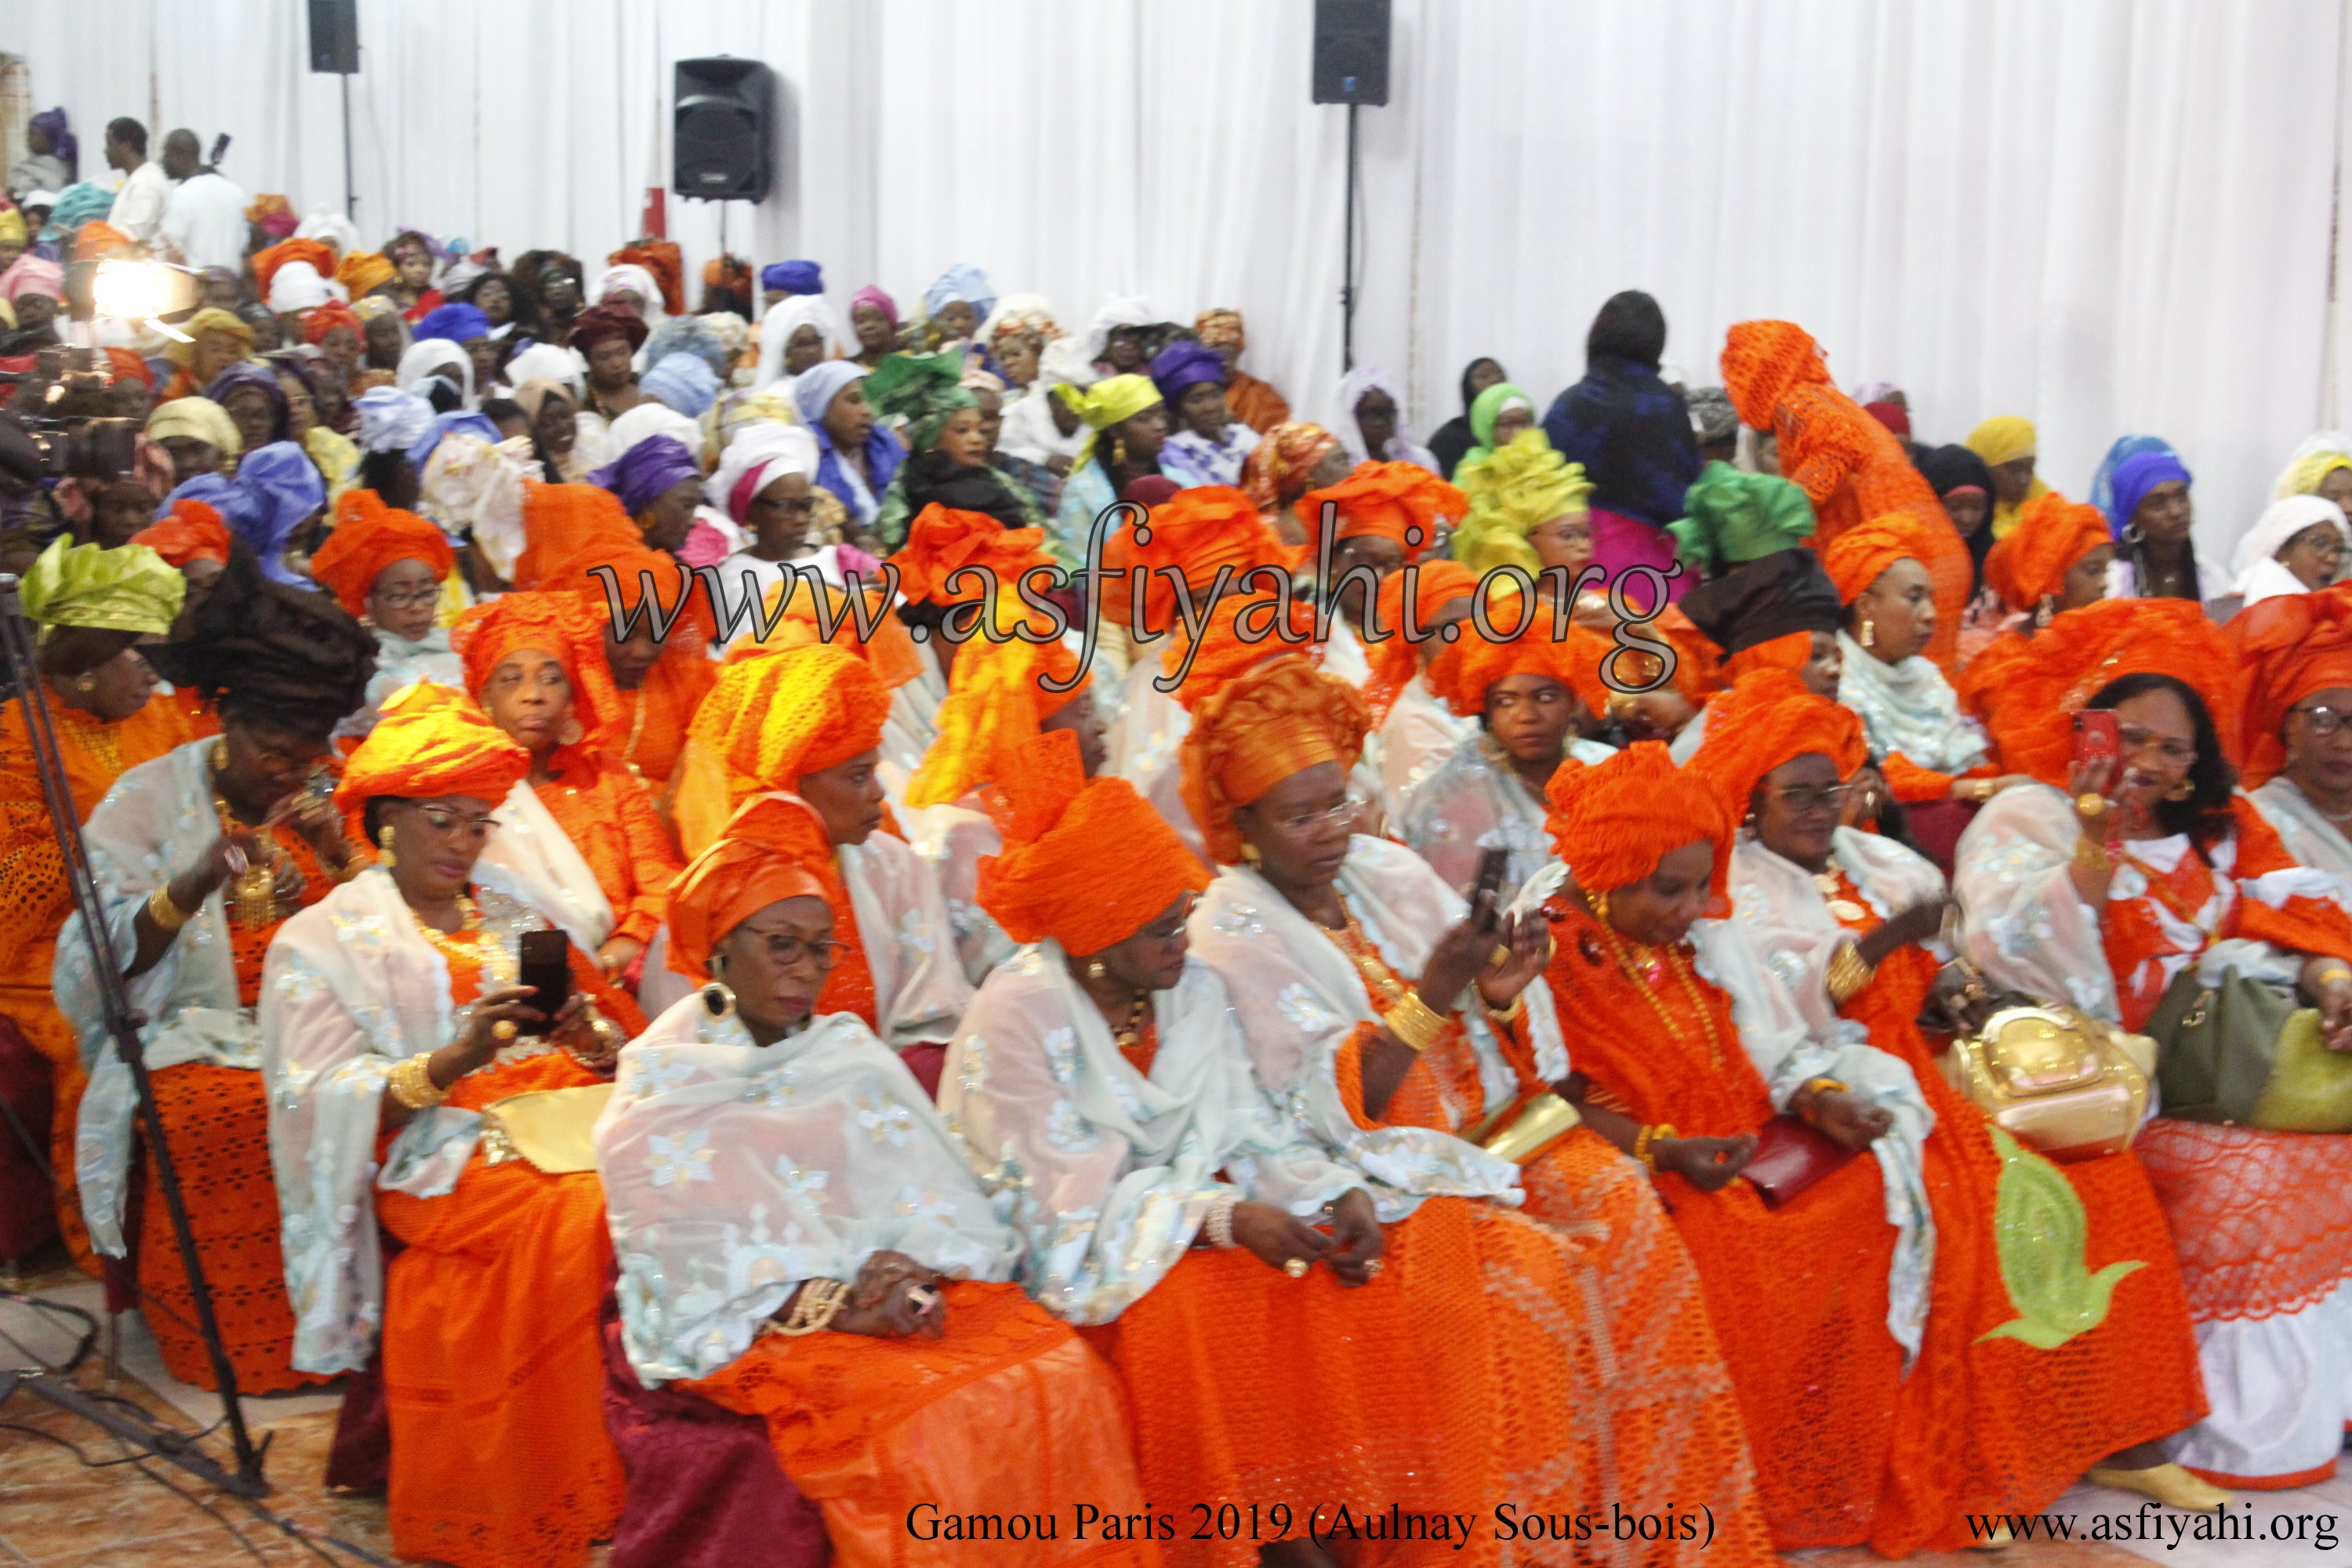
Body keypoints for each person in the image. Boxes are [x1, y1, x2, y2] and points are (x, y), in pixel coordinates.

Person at [1538, 742, 2209, 1550]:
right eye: (1800, 792)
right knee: (1923, 1212)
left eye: (1835, 788)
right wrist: (1674, 1143)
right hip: (1685, 1149)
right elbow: (1557, 1094)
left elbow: (1777, 1046)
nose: (1690, 907)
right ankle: (1868, 1471)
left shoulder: (1857, 867)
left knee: (2098, 1177)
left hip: (1844, 1095)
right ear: (1752, 801)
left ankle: (2107, 1436)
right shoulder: (1591, 935)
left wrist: (1835, 1086)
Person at [1181, 657, 1778, 1566]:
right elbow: (1338, 1111)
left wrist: (1500, 992)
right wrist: (1437, 990)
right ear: (1243, 826)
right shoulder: (1232, 930)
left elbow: (1496, 1028)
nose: (1331, 831)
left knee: (1620, 1205)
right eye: (1299, 817)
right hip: (1381, 1179)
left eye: (1338, 801)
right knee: (1529, 1277)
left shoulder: (1385, 869)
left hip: (1493, 1133)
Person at [944, 728, 1485, 1565]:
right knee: (1191, 1310)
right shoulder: (1014, 1015)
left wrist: (1331, 1190)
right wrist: (1227, 1218)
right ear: (1093, 939)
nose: (1184, 944)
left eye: (1182, 919)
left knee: (1327, 1273)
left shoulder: (1188, 985)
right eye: (1162, 929)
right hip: (1078, 1258)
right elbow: (1056, 1208)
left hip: (1179, 1223)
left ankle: (1342, 1529)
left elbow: (1247, 1122)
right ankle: (1250, 1545)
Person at [596, 792, 1154, 1568]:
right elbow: (694, 1262)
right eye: (782, 945)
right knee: (930, 1427)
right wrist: (840, 1305)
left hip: (892, 1297)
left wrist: (911, 1264)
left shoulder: (843, 1051)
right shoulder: (663, 1086)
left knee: (1063, 1373)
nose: (808, 970)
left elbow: (931, 1190)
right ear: (718, 948)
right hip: (768, 1322)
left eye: (823, 948)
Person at [1956, 597, 2352, 1494]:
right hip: (2089, 1091)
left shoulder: (2224, 829)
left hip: (2219, 1078)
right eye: (2127, 734)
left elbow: (2297, 916)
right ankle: (2211, 1430)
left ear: (2192, 766)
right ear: (2082, 728)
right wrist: (2092, 847)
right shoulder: (2028, 815)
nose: (2146, 761)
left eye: (2172, 748)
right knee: (2256, 1181)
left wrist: (2331, 980)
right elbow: (2002, 947)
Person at [259, 682, 641, 1568]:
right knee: (581, 1212)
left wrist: (589, 1036)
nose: (465, 842)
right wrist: (452, 1060)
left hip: (564, 1111)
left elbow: (593, 1036)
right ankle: (565, 1479)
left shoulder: (510, 915)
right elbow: (315, 1097)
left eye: (478, 823)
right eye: (445, 820)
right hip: (438, 1153)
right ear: (386, 819)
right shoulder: (324, 939)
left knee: (682, 1173)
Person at [58, 552, 375, 1390]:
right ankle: (236, 1344)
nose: (287, 771)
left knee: (364, 1091)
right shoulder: (146, 797)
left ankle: (347, 1330)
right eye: (272, 751)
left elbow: (401, 933)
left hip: (322, 1023)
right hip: (192, 1032)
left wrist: (342, 856)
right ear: (224, 721)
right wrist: (194, 881)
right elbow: (91, 956)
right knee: (223, 1110)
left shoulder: (328, 789)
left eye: (305, 755)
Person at [0, 539, 189, 1265]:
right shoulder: (19, 737)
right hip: (55, 940)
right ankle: (108, 1241)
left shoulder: (158, 717)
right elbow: (14, 884)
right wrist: (103, 839)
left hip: (172, 914)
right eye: (134, 655)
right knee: (111, 1027)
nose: (151, 671)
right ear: (79, 675)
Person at [680, 644, 972, 1089]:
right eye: (857, 777)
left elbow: (933, 1020)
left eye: (875, 773)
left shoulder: (895, 868)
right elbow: (700, 1047)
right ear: (790, 778)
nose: (878, 794)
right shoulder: (723, 883)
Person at [452, 591, 681, 985]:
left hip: (624, 975)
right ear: (484, 698)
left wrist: (611, 958)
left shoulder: (608, 777)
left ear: (574, 698)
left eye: (552, 679)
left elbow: (660, 884)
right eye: (511, 679)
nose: (533, 694)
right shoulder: (463, 788)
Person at [897, 543, 1101, 981]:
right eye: (1083, 712)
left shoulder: (1076, 808)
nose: (1101, 727)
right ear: (1031, 728)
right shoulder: (961, 839)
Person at [1719, 320, 1971, 669]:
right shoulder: (1823, 399)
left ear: (1761, 367)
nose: (1735, 385)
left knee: (1884, 685)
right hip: (1920, 556)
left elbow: (1838, 447)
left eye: (1738, 370)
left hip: (1897, 563)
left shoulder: (1796, 401)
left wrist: (1783, 513)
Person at [1824, 515, 2024, 850]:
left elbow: (1965, 762)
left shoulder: (1924, 675)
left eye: (1931, 599)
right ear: (1866, 606)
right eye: (1914, 598)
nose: (1930, 614)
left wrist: (1995, 786)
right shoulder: (1835, 680)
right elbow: (1877, 780)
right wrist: (1978, 790)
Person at [1398, 602, 1618, 903]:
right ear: (1487, 709)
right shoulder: (1450, 797)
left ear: (1575, 701)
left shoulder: (1612, 769)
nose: (1526, 715)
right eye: (1506, 701)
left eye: (1545, 697)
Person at [532, 499, 719, 817]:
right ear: (587, 625)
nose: (642, 651)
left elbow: (708, 783)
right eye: (625, 634)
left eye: (657, 634)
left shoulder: (691, 684)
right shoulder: (549, 688)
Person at [1542, 291, 1703, 584]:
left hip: (1571, 566)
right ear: (1656, 343)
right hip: (1650, 574)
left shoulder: (1566, 405)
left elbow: (1539, 494)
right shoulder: (1665, 407)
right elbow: (1686, 500)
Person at [307, 488, 462, 738]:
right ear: (368, 601)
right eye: (399, 597)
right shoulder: (355, 667)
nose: (417, 607)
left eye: (426, 593)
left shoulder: (459, 648)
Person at [867, 352, 1047, 553]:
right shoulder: (909, 484)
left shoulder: (998, 482)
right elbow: (891, 543)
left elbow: (1035, 533)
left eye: (979, 429)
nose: (977, 438)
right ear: (932, 438)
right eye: (963, 430)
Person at [1363, 559, 1480, 811]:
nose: (1472, 637)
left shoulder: (1496, 695)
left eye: (1482, 623)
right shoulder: (1414, 720)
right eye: (1453, 628)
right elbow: (1443, 818)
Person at [1051, 374, 1167, 560]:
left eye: (1161, 415)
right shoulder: (1084, 492)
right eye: (1144, 419)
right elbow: (1083, 569)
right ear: (1115, 431)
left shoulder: (1179, 475)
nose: (1160, 426)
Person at [793, 361, 902, 543]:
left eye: (870, 400)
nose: (868, 411)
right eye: (854, 401)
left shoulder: (884, 445)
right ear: (822, 408)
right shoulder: (808, 462)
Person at [1914, 444, 2005, 661]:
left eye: (1977, 508)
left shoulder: (1998, 559)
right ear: (1931, 501)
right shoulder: (1911, 558)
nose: (1967, 518)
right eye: (1955, 507)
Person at [2104, 446, 2211, 602]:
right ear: (2132, 517)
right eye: (2158, 505)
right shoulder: (2113, 580)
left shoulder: (2210, 576)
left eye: (2182, 497)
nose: (2176, 512)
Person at [1150, 340, 1260, 489]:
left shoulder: (1243, 436)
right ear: (1178, 409)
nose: (1210, 407)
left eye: (1216, 395)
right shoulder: (1173, 453)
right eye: (1196, 399)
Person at [2225, 494, 2349, 610]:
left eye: (2338, 549)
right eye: (2320, 544)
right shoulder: (2252, 603)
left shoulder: (2334, 606)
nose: (2333, 558)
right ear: (2282, 549)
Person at [590, 434, 704, 557]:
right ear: (645, 508)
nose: (693, 522)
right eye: (686, 506)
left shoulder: (672, 566)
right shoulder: (617, 568)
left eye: (694, 507)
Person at [154, 129, 249, 274]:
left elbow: (170, 252)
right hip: (230, 291)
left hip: (198, 290)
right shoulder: (235, 192)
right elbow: (244, 248)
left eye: (167, 153)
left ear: (183, 155)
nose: (162, 160)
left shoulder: (183, 195)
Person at [1327, 364, 1437, 473]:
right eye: (1371, 414)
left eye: (1388, 413)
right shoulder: (1339, 469)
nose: (1380, 423)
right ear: (1351, 417)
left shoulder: (1419, 462)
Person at [1962, 415, 2045, 540]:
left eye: (2030, 468)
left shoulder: (2045, 503)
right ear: (1985, 465)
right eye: (2015, 470)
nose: (2024, 479)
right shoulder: (1964, 517)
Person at [1425, 357, 1506, 479]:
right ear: (1467, 387)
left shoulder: (1515, 431)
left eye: (1500, 377)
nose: (1495, 381)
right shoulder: (1448, 438)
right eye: (1484, 377)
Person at [569, 301, 648, 422]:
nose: (617, 364)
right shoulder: (583, 403)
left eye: (622, 352)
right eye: (604, 357)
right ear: (588, 361)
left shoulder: (650, 386)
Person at [753, 294, 849, 391]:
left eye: (816, 342)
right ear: (786, 352)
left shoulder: (838, 387)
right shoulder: (776, 396)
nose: (812, 351)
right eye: (801, 345)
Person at [147, 394, 241, 487]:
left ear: (221, 452)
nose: (188, 464)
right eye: (174, 453)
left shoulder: (246, 498)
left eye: (198, 450)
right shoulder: (142, 500)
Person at [101, 117, 169, 243]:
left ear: (127, 146)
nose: (105, 151)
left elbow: (134, 238)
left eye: (110, 144)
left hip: (136, 262)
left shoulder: (146, 183)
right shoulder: (138, 179)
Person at [12, 109, 74, 198]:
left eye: (34, 134)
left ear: (51, 136)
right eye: (29, 133)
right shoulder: (23, 169)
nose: (29, 138)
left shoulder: (65, 169)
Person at [846, 283, 898, 368]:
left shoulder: (907, 367)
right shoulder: (846, 370)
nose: (869, 325)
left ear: (892, 325)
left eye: (878, 319)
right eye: (861, 321)